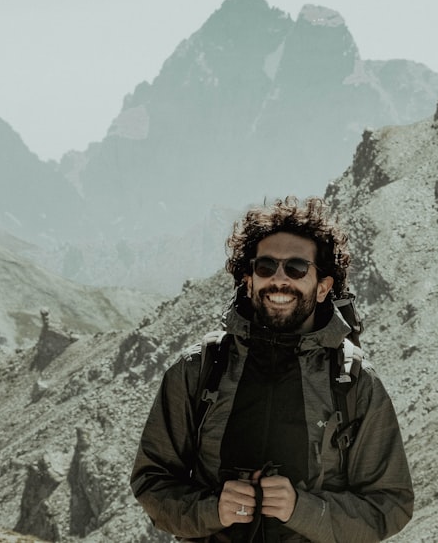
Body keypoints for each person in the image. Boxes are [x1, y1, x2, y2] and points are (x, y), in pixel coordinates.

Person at [130, 196, 413, 542]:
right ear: (248, 281)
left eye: (296, 268)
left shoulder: (354, 383)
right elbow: (152, 480)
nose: (279, 280)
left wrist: (302, 510)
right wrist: (212, 509)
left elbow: (390, 504)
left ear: (323, 287)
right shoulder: (198, 370)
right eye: (265, 267)